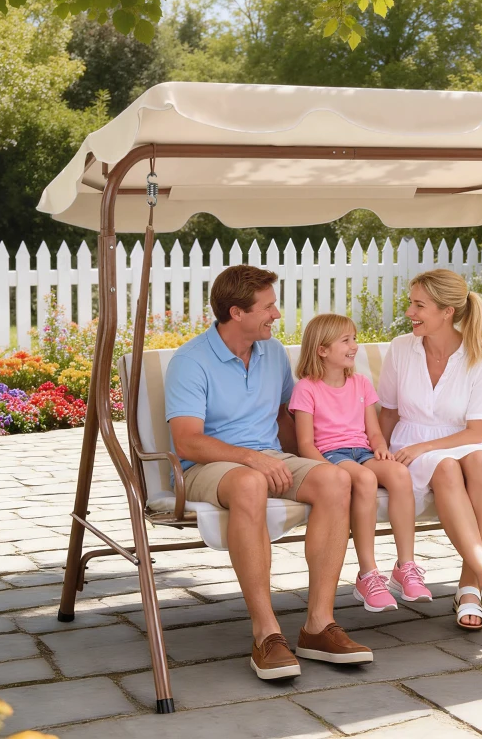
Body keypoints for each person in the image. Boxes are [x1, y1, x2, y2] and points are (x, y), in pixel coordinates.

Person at [165, 265, 373, 681]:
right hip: (207, 467)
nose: (276, 315)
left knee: (334, 479)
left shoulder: (273, 352)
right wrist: (251, 458)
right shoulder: (190, 362)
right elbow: (187, 441)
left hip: (269, 456)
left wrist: (319, 459)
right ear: (236, 312)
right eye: (268, 306)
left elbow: (285, 418)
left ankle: (318, 625)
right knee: (249, 481)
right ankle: (266, 632)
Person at [377, 269, 482, 631]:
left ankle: (470, 584)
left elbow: (476, 431)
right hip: (410, 445)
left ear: (446, 312)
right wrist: (377, 450)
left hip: (462, 441)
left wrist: (426, 446)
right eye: (411, 304)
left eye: (419, 305)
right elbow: (389, 412)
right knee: (445, 467)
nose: (410, 312)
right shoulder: (401, 348)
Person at [289, 314, 432, 613]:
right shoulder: (307, 388)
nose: (355, 346)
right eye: (346, 340)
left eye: (354, 338)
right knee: (365, 480)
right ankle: (368, 574)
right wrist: (328, 470)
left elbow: (374, 432)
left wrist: (380, 448)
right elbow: (304, 444)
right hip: (330, 456)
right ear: (322, 349)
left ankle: (406, 565)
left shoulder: (361, 383)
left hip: (363, 453)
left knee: (398, 473)